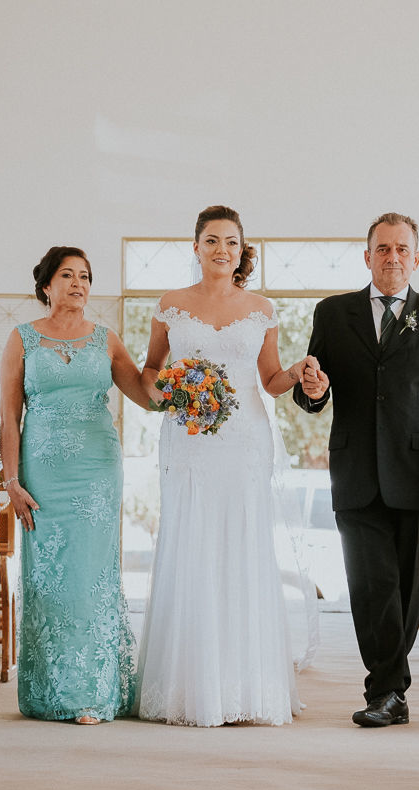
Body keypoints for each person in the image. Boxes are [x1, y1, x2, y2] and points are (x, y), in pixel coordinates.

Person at [136, 205, 314, 727]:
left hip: (245, 443)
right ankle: (189, 686)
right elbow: (151, 370)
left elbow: (271, 378)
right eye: (211, 241)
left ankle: (247, 684)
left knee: (242, 545)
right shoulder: (171, 305)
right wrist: (167, 397)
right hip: (189, 441)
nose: (221, 250)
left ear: (242, 250)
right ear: (196, 248)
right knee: (191, 544)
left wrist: (299, 371)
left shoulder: (261, 308)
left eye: (231, 242)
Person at [293, 212, 419, 727]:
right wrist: (313, 388)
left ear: (417, 258)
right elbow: (312, 390)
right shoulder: (332, 312)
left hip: (417, 480)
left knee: (406, 593)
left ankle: (390, 688)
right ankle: (387, 691)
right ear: (367, 257)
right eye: (382, 249)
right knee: (370, 586)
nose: (392, 257)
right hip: (356, 474)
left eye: (401, 249)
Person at [0, 246, 148, 724]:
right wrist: (11, 481)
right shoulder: (21, 339)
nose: (78, 283)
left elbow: (145, 394)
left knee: (90, 577)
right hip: (43, 476)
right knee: (48, 578)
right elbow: (8, 418)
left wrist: (189, 387)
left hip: (97, 472)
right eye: (68, 275)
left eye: (85, 276)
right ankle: (48, 691)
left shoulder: (105, 339)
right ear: (47, 285)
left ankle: (92, 693)